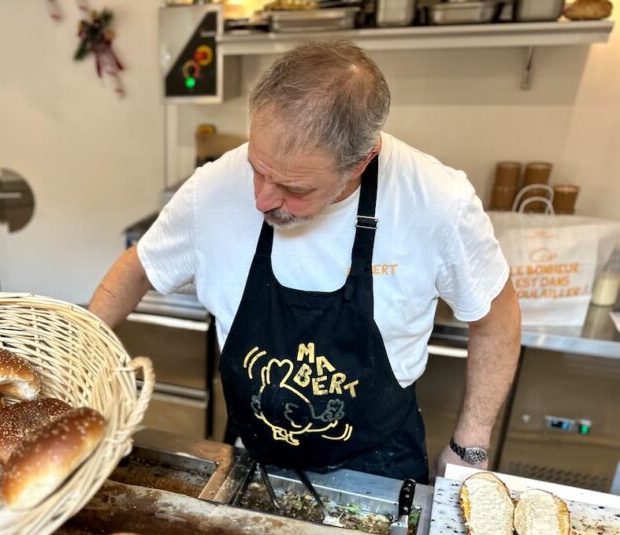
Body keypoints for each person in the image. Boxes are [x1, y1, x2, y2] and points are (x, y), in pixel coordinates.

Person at [88, 41, 521, 483]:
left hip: (379, 464)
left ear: (362, 161)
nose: (262, 199)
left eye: (295, 189)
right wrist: (77, 359)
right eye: (257, 169)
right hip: (250, 455)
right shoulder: (213, 189)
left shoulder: (436, 202)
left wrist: (471, 444)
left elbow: (497, 313)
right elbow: (138, 266)